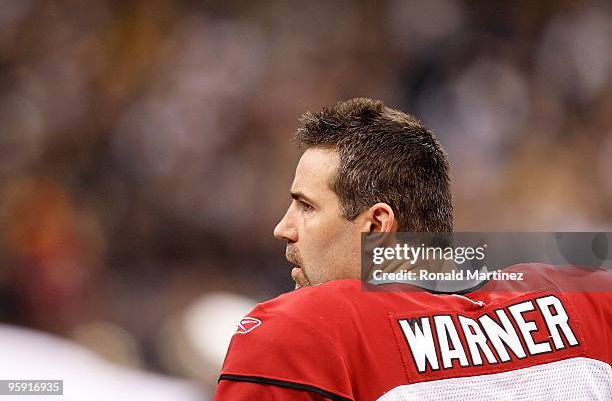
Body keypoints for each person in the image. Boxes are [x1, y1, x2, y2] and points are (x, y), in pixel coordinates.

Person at [214, 98, 611, 400]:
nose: (282, 228)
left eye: (306, 206)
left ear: (377, 227)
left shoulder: (305, 331)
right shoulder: (591, 299)